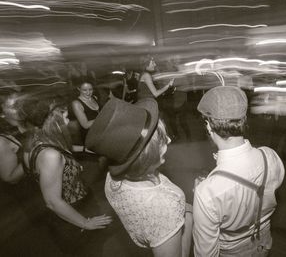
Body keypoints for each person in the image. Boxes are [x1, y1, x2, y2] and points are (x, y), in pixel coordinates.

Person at [85, 98, 193, 257]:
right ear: (146, 156)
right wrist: (188, 218)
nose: (169, 141)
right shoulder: (164, 206)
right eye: (162, 140)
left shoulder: (111, 179)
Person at [193, 86, 285, 257]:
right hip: (263, 244)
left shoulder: (207, 192)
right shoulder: (270, 156)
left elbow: (205, 253)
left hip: (231, 252)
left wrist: (206, 192)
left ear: (208, 125)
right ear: (243, 120)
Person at [21, 98, 112, 255]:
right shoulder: (50, 155)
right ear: (53, 121)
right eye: (64, 116)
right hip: (74, 211)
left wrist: (91, 149)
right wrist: (85, 223)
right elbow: (52, 201)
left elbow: (64, 150)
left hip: (76, 204)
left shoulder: (36, 140)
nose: (68, 120)